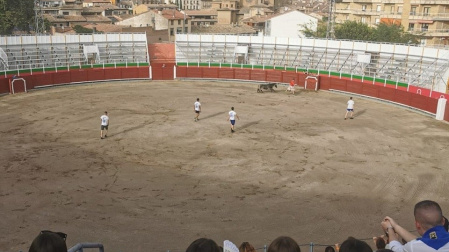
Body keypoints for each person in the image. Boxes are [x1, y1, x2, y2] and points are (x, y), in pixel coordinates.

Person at [381, 200, 449, 252]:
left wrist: (389, 228)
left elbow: (394, 248)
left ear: (417, 225)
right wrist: (395, 226)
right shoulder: (417, 245)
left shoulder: (413, 247)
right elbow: (422, 242)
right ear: (443, 221)